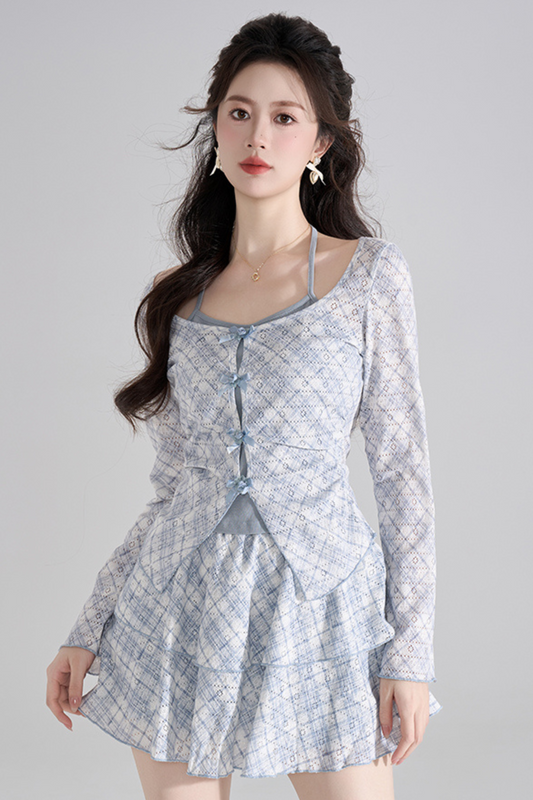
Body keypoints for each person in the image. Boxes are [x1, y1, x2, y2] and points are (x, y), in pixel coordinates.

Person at [46, 12, 442, 800]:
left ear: (320, 142)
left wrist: (410, 654)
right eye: (239, 111)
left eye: (285, 117)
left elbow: (402, 476)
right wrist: (88, 628)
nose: (258, 135)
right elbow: (172, 489)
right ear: (216, 129)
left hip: (321, 611)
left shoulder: (369, 276)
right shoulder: (175, 295)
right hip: (177, 610)